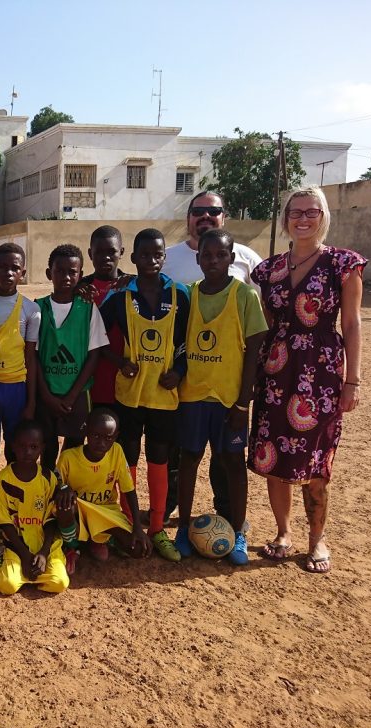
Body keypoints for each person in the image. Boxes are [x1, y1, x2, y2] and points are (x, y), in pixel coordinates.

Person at [250, 186, 365, 574]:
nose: (303, 218)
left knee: (317, 460)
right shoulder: (268, 270)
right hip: (276, 371)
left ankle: (317, 540)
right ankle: (283, 533)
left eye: (310, 211)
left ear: (323, 215)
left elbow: (351, 323)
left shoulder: (342, 265)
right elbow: (264, 325)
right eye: (295, 212)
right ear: (285, 220)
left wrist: (353, 381)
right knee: (273, 454)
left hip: (321, 374)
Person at [162, 190, 263, 521]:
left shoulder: (248, 262)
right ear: (189, 217)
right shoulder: (169, 257)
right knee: (184, 454)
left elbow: (263, 320)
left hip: (228, 387)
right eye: (198, 211)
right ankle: (173, 513)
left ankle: (231, 516)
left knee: (228, 459)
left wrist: (245, 399)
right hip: (190, 387)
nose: (205, 216)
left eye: (213, 211)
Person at [173, 229, 267, 565]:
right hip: (194, 396)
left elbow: (254, 351)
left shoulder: (244, 296)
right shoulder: (190, 294)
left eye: (221, 255)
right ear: (198, 259)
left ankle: (239, 532)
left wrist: (243, 403)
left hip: (229, 400)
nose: (213, 260)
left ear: (232, 258)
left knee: (231, 462)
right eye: (207, 255)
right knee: (189, 459)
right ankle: (183, 528)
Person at [100, 229, 189, 562]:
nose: (151, 260)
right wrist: (118, 361)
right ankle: (128, 524)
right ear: (133, 258)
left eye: (158, 254)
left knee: (160, 458)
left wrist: (179, 370)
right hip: (130, 396)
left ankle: (156, 527)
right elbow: (96, 335)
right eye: (145, 254)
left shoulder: (181, 295)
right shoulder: (121, 296)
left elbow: (189, 341)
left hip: (164, 397)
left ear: (164, 257)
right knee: (129, 459)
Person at [0, 242, 40, 566]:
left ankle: (17, 509)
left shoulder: (31, 311)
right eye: (3, 267)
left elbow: (31, 358)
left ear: (23, 272)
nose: (9, 273)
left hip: (16, 390)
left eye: (15, 268)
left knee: (16, 453)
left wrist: (30, 403)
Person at [35, 244, 109, 470]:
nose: (66, 276)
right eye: (60, 271)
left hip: (77, 394)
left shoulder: (87, 309)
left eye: (72, 272)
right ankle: (48, 483)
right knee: (47, 444)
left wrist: (72, 395)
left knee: (75, 444)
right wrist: (46, 395)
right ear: (49, 273)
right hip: (46, 393)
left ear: (81, 275)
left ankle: (63, 486)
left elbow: (94, 354)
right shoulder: (37, 309)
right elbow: (33, 356)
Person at [56, 409, 152, 566]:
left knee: (139, 548)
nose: (101, 443)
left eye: (108, 438)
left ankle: (100, 539)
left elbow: (128, 489)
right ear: (86, 431)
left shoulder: (117, 452)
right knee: (64, 505)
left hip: (106, 512)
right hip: (79, 511)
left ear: (116, 436)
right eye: (95, 436)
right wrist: (63, 487)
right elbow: (57, 486)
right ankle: (72, 546)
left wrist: (138, 527)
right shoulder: (69, 457)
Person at [0, 419, 73, 595]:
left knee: (59, 583)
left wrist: (43, 553)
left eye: (33, 447)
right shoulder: (4, 478)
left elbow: (51, 519)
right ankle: (1, 557)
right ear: (13, 446)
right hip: (17, 545)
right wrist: (25, 556)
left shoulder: (47, 478)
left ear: (42, 448)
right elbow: (4, 522)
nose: (27, 452)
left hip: (45, 544)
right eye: (22, 446)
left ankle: (33, 571)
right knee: (8, 586)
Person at [77, 225, 132, 409]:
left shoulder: (133, 285)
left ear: (122, 252)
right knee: (81, 431)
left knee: (119, 433)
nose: (106, 257)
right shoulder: (81, 288)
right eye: (99, 252)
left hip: (124, 373)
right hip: (89, 375)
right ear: (90, 254)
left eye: (112, 251)